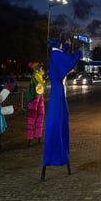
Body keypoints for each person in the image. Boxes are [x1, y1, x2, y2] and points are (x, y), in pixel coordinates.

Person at [41, 39, 82, 181]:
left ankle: (60, 156)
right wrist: (79, 52)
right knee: (58, 121)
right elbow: (68, 60)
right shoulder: (56, 56)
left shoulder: (55, 54)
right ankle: (57, 156)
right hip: (58, 91)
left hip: (57, 90)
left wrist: (67, 46)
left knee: (59, 121)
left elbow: (62, 58)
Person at [26, 62, 46, 146]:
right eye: (38, 66)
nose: (40, 67)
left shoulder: (39, 73)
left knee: (41, 115)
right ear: (35, 67)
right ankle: (30, 137)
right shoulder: (36, 74)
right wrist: (45, 79)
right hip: (34, 97)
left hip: (40, 95)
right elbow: (40, 82)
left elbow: (41, 81)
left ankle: (38, 135)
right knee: (32, 117)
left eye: (40, 66)